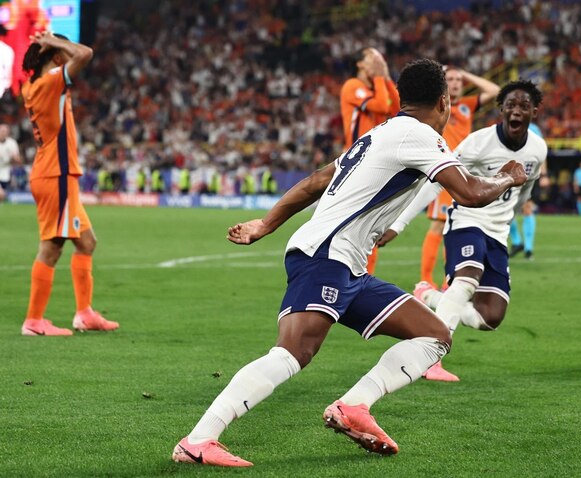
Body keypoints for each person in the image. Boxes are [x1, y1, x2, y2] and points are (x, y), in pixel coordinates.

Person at [171, 58, 527, 467]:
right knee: (292, 352)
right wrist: (508, 177)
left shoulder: (380, 134)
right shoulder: (419, 136)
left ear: (400, 97)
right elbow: (469, 193)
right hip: (327, 256)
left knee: (433, 335)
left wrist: (266, 225)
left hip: (347, 265)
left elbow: (317, 180)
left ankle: (354, 406)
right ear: (445, 102)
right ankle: (199, 439)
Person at [379, 80, 547, 381]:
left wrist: (510, 216)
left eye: (524, 106)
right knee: (467, 280)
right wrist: (398, 223)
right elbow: (436, 181)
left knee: (489, 318)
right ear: (501, 109)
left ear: (534, 111)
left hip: (496, 233)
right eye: (510, 105)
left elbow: (526, 188)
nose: (516, 111)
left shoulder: (538, 149)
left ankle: (429, 296)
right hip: (467, 221)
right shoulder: (478, 143)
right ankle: (430, 357)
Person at [19, 32, 118, 336]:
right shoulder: (50, 82)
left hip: (57, 173)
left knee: (86, 242)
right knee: (52, 246)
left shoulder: (33, 86)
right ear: (58, 56)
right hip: (55, 174)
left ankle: (84, 314)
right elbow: (85, 53)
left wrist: (52, 45)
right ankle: (34, 322)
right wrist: (55, 41)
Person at [420, 67, 500, 286]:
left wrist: (467, 75)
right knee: (438, 225)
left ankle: (448, 280)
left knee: (455, 226)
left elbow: (495, 90)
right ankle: (426, 279)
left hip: (465, 172)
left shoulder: (467, 105)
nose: (455, 83)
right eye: (450, 79)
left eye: (458, 80)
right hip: (442, 171)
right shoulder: (434, 104)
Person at [339, 47, 400, 275]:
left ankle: (363, 276)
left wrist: (385, 78)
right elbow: (382, 106)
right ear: (360, 64)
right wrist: (379, 77)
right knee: (355, 224)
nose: (377, 60)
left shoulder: (378, 88)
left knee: (372, 224)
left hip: (377, 162)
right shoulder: (352, 86)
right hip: (357, 162)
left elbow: (396, 108)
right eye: (371, 57)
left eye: (380, 57)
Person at [510, 121, 549, 260]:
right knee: (505, 209)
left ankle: (528, 248)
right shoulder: (504, 126)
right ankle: (517, 242)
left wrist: (544, 175)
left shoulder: (533, 129)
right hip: (510, 173)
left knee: (527, 208)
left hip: (529, 174)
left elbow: (541, 153)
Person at [0, 124, 20, 192]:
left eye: (5, 131)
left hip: (7, 170)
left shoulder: (12, 143)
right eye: (2, 131)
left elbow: (18, 160)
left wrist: (14, 158)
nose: (3, 133)